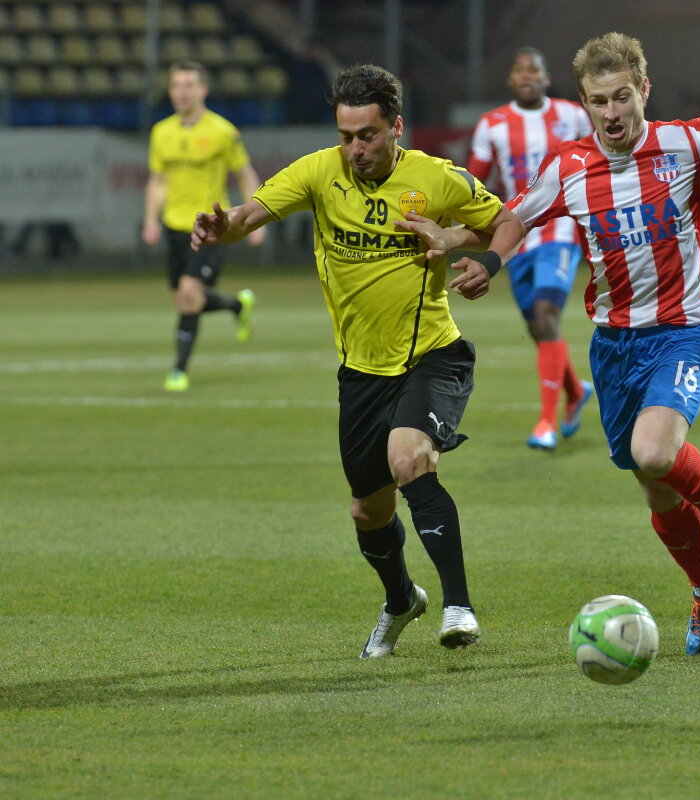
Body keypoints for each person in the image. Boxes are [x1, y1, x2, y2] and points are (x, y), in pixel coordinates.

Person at [408, 32, 700, 656]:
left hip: (684, 333)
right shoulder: (570, 167)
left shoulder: (682, 142)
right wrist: (474, 252)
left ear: (644, 92)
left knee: (656, 451)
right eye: (597, 102)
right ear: (583, 102)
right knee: (655, 486)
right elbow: (512, 218)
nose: (611, 114)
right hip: (614, 347)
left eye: (622, 98)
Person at [190, 64, 527, 656]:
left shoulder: (435, 179)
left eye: (367, 135)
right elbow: (247, 216)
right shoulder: (320, 172)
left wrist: (476, 256)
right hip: (361, 373)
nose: (355, 148)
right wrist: (222, 231)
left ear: (396, 127)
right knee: (369, 511)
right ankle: (401, 600)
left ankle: (460, 607)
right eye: (346, 135)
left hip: (432, 356)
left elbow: (505, 221)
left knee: (410, 457)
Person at [466, 47, 595, 450]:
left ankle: (545, 423)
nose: (527, 75)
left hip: (559, 230)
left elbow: (596, 162)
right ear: (510, 79)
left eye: (534, 70)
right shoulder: (493, 124)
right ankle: (575, 392)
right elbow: (473, 181)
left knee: (546, 314)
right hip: (517, 233)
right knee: (538, 327)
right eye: (519, 69)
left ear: (545, 77)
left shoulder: (572, 115)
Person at [143, 61, 265, 392]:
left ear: (203, 90)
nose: (181, 92)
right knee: (186, 299)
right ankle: (237, 305)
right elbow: (158, 180)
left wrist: (257, 217)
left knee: (188, 294)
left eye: (188, 85)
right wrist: (151, 219)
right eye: (176, 85)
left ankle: (178, 371)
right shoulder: (161, 132)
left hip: (212, 229)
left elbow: (244, 173)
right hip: (174, 226)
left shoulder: (223, 131)